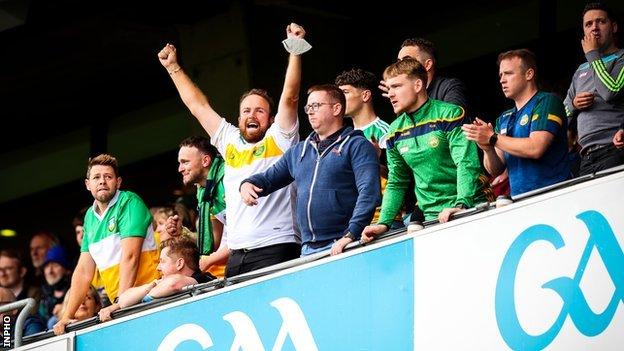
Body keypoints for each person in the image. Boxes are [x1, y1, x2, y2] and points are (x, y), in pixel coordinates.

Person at [158, 23, 310, 277]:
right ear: (238, 118)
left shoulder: (280, 137)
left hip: (277, 247)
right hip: (237, 255)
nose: (252, 115)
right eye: (246, 110)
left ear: (271, 119)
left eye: (260, 110)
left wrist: (295, 49)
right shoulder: (229, 140)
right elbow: (198, 106)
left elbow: (290, 96)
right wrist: (173, 68)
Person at [361, 58, 491, 243]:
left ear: (418, 85)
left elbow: (466, 162)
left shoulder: (449, 113)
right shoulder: (394, 130)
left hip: (471, 209)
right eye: (389, 88)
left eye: (396, 86)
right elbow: (397, 181)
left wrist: (462, 204)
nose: (390, 94)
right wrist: (384, 222)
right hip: (431, 219)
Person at [241, 84, 380, 256]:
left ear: (337, 109)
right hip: (308, 249)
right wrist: (247, 183)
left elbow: (369, 192)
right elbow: (268, 178)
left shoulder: (357, 145)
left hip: (345, 244)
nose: (310, 112)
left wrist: (351, 234)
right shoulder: (299, 151)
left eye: (316, 106)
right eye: (308, 107)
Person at [53, 154, 160, 335]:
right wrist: (66, 315)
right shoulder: (89, 217)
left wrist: (120, 303)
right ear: (88, 184)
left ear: (118, 182)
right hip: (123, 306)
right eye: (96, 177)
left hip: (152, 296)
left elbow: (130, 256)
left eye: (108, 177)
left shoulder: (129, 202)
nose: (102, 181)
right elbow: (84, 271)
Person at [461, 49, 569, 196]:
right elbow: (495, 169)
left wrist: (492, 137)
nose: (502, 80)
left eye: (509, 73)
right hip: (520, 200)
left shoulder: (547, 101)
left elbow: (536, 148)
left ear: (529, 74)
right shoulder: (504, 117)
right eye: (500, 75)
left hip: (554, 194)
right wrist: (487, 147)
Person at [564, 2, 624, 175]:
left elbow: (610, 91)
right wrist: (574, 104)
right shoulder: (580, 70)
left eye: (601, 22)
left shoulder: (621, 58)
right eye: (588, 24)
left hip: (615, 149)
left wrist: (592, 54)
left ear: (613, 27)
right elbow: (562, 115)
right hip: (586, 156)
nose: (594, 28)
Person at [335, 68, 400, 226]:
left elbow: (401, 176)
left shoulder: (386, 131)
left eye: (344, 92)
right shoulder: (342, 137)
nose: (338, 99)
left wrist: (374, 161)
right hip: (352, 222)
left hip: (383, 220)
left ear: (365, 95)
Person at [100, 236, 213, 320]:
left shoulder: (203, 278)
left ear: (179, 264)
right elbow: (123, 300)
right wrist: (151, 286)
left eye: (162, 262)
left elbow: (173, 284)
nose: (158, 268)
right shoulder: (159, 285)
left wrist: (143, 295)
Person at [164, 136, 228, 278]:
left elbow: (246, 235)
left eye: (185, 162)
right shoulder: (204, 191)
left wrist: (209, 260)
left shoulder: (228, 179)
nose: (180, 169)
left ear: (205, 161)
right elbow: (213, 242)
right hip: (239, 256)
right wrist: (183, 232)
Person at [380, 38, 469, 112]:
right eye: (399, 61)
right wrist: (400, 95)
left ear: (427, 65)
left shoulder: (449, 86)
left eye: (407, 60)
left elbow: (452, 118)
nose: (400, 66)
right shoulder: (400, 95)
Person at [38, 246, 72, 323]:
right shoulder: (44, 295)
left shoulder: (76, 290)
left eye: (55, 265)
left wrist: (65, 308)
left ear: (67, 270)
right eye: (46, 267)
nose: (50, 271)